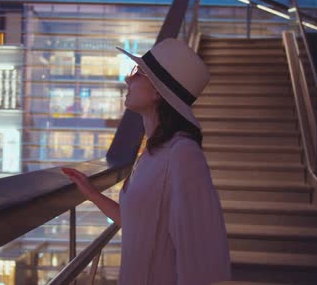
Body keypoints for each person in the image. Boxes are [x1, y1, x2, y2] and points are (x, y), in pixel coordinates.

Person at [61, 38, 231, 285]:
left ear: (158, 92)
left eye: (138, 73)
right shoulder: (153, 152)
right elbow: (137, 223)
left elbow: (201, 253)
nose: (127, 79)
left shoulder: (183, 154)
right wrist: (91, 193)